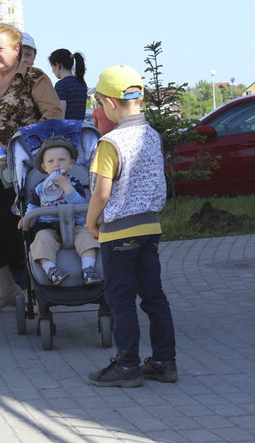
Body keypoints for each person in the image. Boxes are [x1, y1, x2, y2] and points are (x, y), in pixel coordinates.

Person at [0, 22, 63, 314]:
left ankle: (38, 290)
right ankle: (8, 289)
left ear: (17, 50)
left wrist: (31, 146)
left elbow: (53, 117)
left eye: (0, 48)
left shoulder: (34, 78)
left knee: (28, 232)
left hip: (30, 172)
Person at [86, 65, 176, 387]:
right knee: (154, 296)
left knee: (121, 300)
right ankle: (165, 363)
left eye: (98, 102)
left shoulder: (109, 143)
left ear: (110, 103)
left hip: (119, 233)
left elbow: (102, 192)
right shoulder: (153, 136)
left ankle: (127, 366)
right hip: (150, 229)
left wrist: (89, 221)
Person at [18, 136, 102, 287]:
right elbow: (33, 206)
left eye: (62, 160)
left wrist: (67, 188)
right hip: (48, 227)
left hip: (74, 225)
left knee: (88, 236)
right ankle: (51, 270)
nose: (56, 164)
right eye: (51, 162)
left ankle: (88, 269)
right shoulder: (39, 187)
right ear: (44, 167)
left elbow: (79, 203)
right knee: (41, 240)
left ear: (71, 163)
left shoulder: (74, 183)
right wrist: (28, 219)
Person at [48, 48, 88, 120]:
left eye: (52, 66)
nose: (52, 71)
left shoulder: (61, 85)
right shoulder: (82, 83)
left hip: (67, 129)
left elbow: (60, 115)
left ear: (57, 65)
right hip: (80, 128)